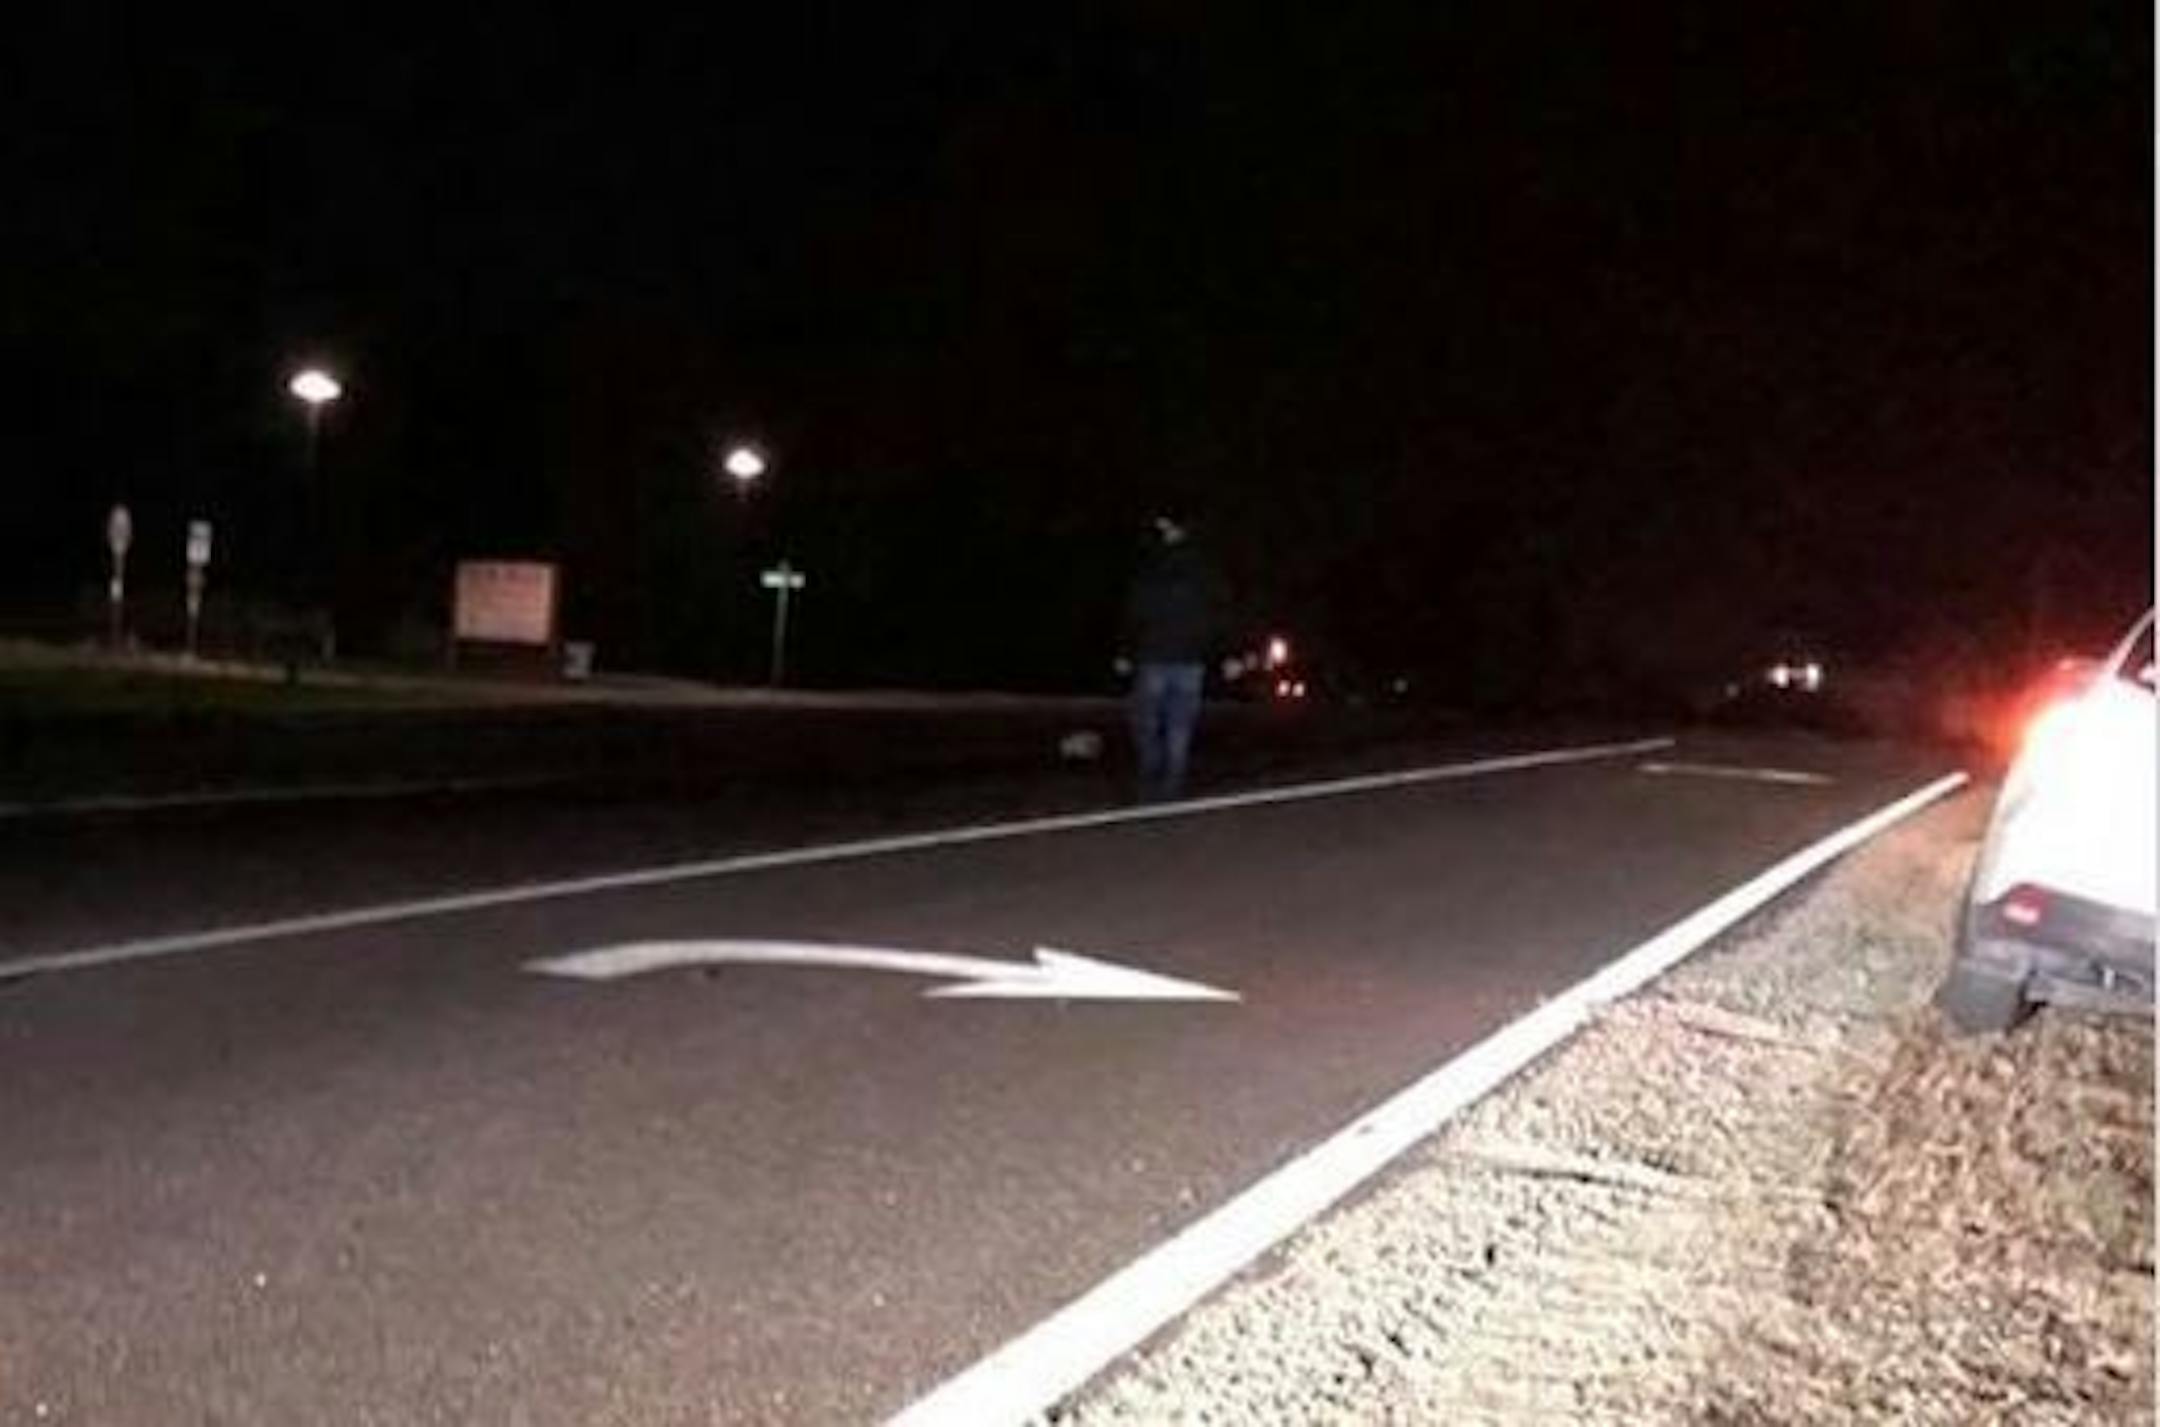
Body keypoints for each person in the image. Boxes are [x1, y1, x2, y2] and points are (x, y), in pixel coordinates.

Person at [1121, 514, 1228, 800]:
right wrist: (1216, 651)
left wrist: (1128, 651)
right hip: (1189, 657)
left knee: (1148, 719)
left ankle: (1152, 772)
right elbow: (1215, 615)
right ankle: (1173, 779)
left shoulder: (1151, 569)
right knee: (1180, 722)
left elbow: (1135, 614)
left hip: (1155, 654)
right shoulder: (1203, 572)